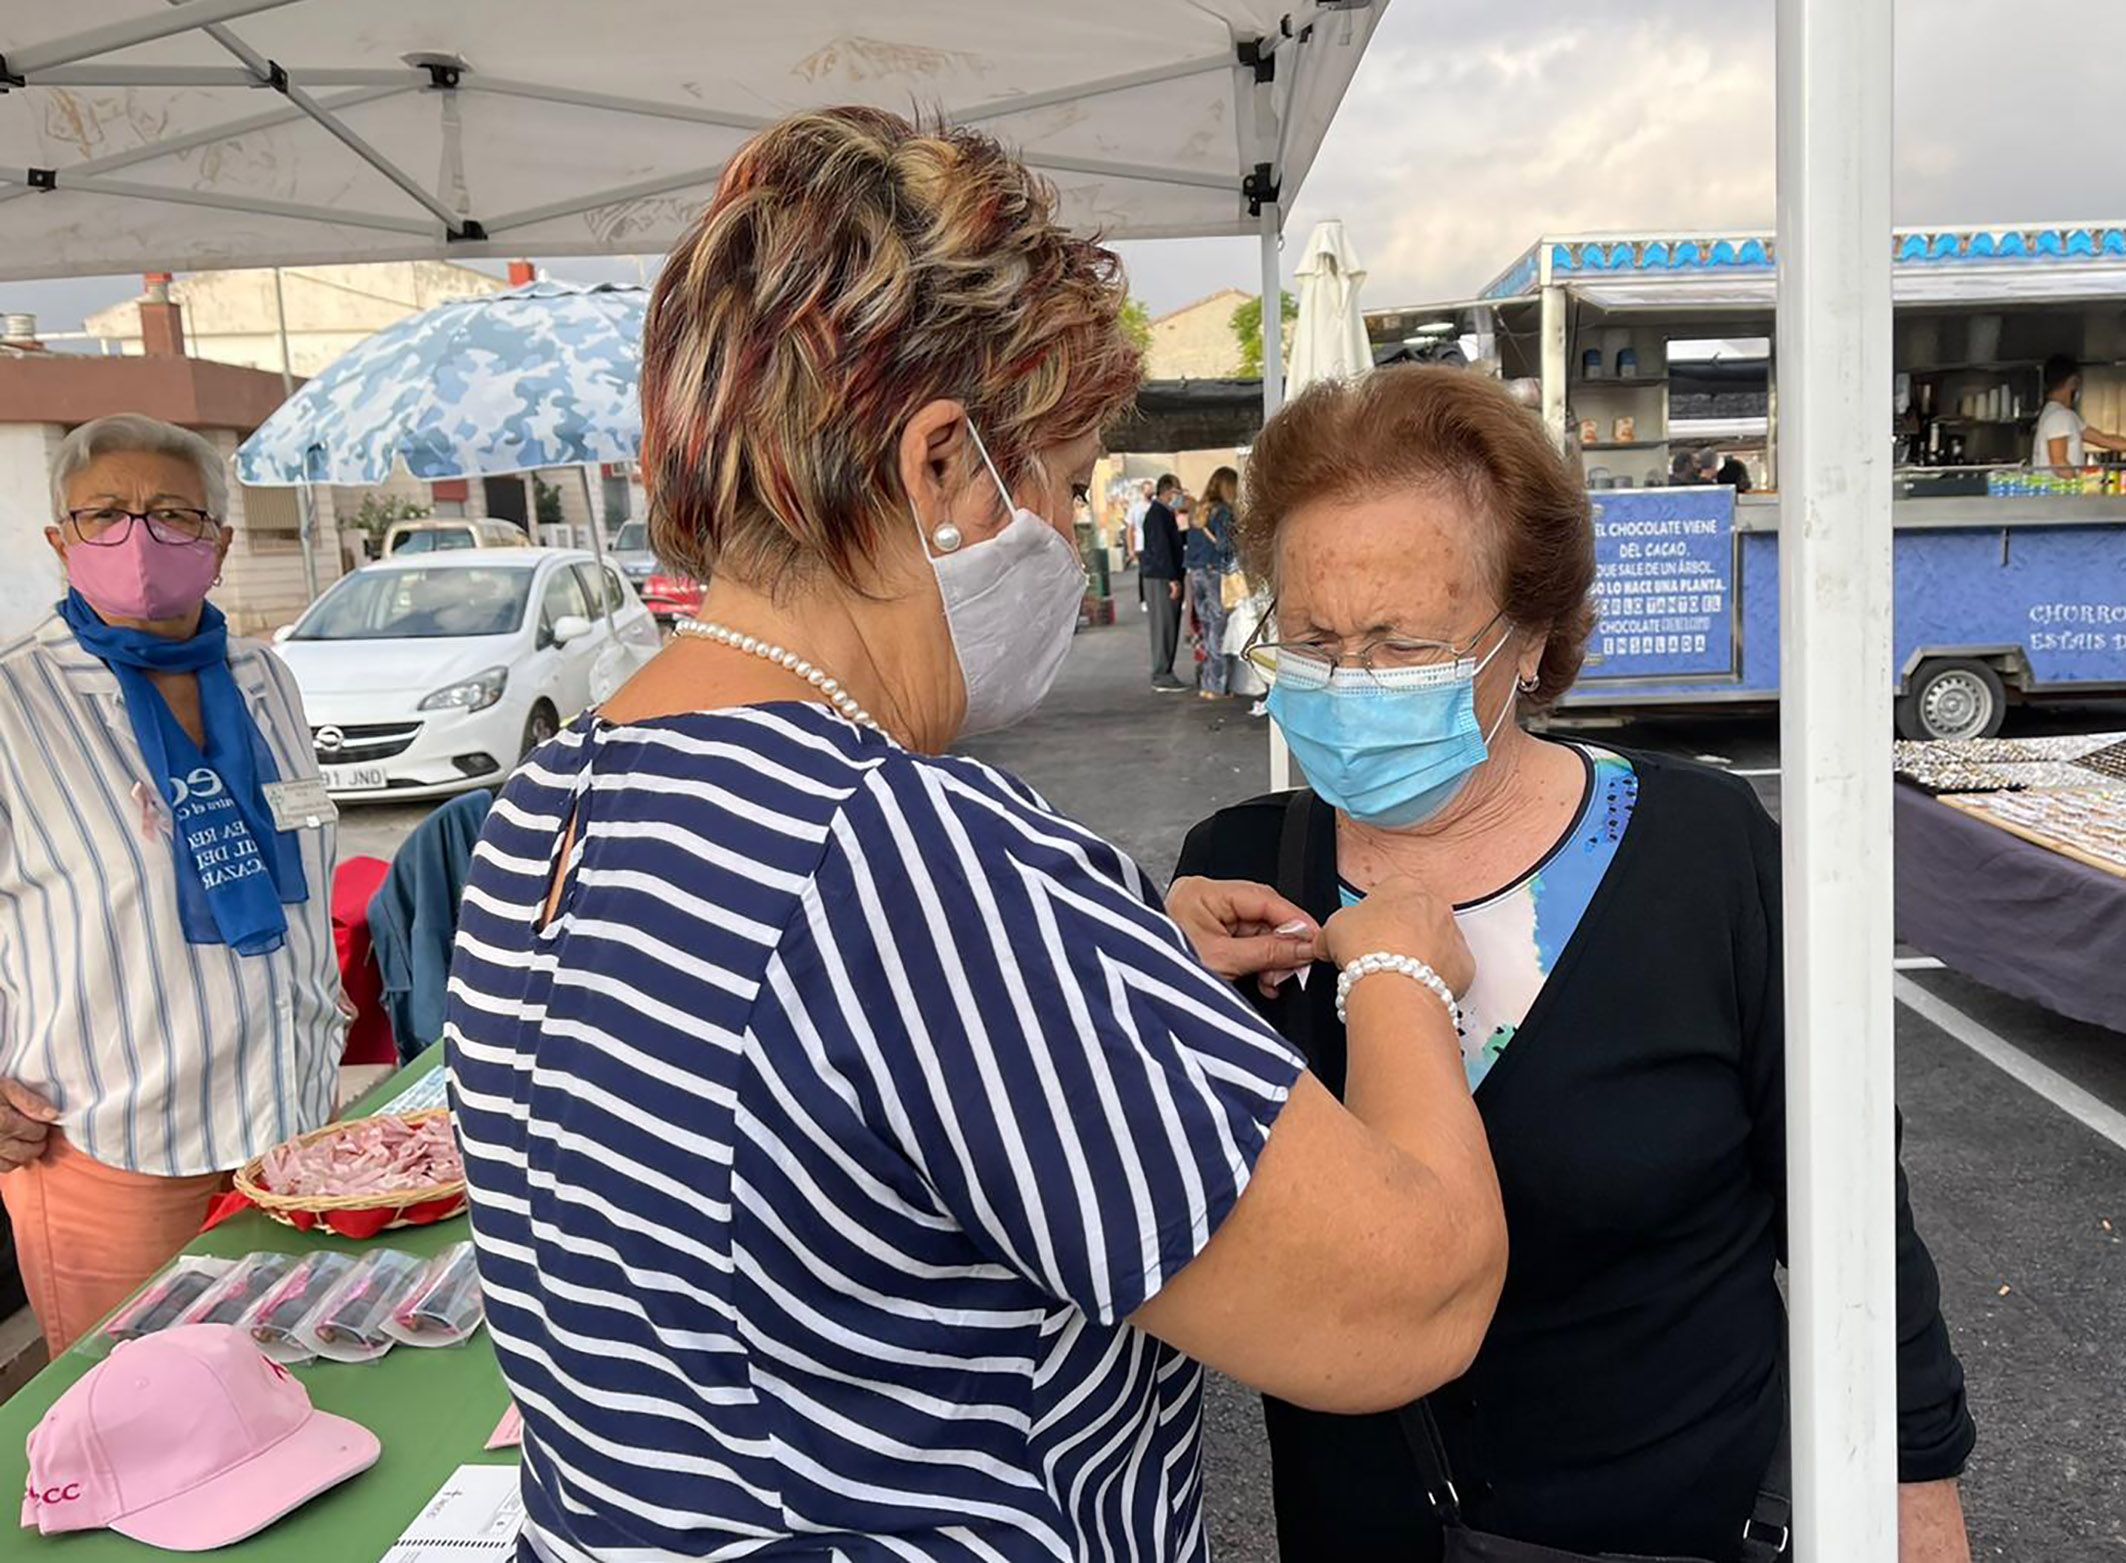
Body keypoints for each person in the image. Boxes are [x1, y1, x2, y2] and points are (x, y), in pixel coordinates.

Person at [445, 108, 1507, 1563]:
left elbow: (806, 1139)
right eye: (1062, 484)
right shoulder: (907, 856)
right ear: (940, 465)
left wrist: (1105, 970)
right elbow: (1408, 1298)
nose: (1067, 540)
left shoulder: (550, 803)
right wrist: (1399, 977)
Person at [1177, 365, 1976, 1563]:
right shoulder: (1238, 877)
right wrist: (1141, 985)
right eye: (1312, 642)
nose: (1347, 686)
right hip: (1369, 1529)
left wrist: (1913, 1487)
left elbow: (1847, 1200)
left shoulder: (1702, 856)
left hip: (1687, 1525)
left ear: (1534, 635)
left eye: (1402, 646)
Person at [0, 414, 343, 1357]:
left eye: (172, 514)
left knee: (306, 1386)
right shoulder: (14, 703)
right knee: (146, 1416)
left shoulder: (263, 677)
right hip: (115, 1145)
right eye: (104, 514)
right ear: (59, 540)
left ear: (220, 542)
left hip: (291, 1123)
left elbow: (306, 856)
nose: (138, 539)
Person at [1186, 465, 1241, 699]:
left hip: (1196, 572)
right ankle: (1217, 686)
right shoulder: (1223, 513)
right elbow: (1225, 546)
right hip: (1214, 574)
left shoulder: (1199, 511)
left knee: (1207, 627)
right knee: (1219, 629)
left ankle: (1207, 683)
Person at [2033, 354, 2126, 471]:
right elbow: (2060, 464)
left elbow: (2104, 440)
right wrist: (2078, 484)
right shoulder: (2059, 416)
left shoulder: (2065, 415)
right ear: (2072, 381)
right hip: (2059, 488)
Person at [1140, 472, 1187, 689]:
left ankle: (1165, 670)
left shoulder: (1163, 513)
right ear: (1168, 491)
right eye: (1177, 491)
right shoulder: (1158, 515)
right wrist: (1172, 579)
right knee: (1164, 626)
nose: (1179, 496)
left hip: (1162, 575)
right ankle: (1161, 673)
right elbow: (1161, 549)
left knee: (1168, 624)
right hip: (1161, 577)